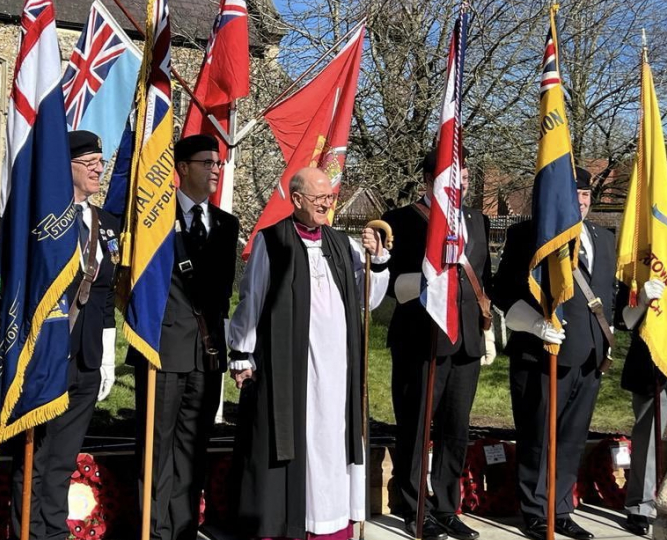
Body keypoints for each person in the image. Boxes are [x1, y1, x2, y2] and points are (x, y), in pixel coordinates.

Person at [228, 166, 389, 539]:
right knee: (297, 438)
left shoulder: (340, 243)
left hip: (337, 368)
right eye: (319, 199)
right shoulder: (273, 242)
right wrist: (241, 352)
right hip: (293, 365)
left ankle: (330, 521)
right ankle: (290, 519)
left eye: (330, 198)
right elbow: (252, 299)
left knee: (332, 439)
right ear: (297, 199)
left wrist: (377, 262)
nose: (326, 204)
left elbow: (369, 299)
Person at [126, 134, 239, 540]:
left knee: (193, 447)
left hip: (204, 354)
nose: (215, 171)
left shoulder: (227, 225)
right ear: (184, 167)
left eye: (218, 164)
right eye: (207, 163)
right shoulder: (156, 216)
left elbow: (223, 294)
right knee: (157, 448)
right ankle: (153, 529)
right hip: (162, 348)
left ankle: (184, 526)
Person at [493, 167, 614, 540]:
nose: (580, 202)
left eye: (586, 197)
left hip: (590, 357)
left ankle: (560, 508)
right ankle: (534, 510)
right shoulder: (529, 234)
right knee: (538, 436)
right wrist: (532, 324)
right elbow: (503, 290)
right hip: (543, 352)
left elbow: (608, 295)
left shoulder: (604, 238)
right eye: (573, 195)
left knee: (572, 438)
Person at [11, 130, 119, 539]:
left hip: (88, 355)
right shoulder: (39, 221)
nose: (98, 170)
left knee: (63, 456)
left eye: (100, 162)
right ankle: (25, 531)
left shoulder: (105, 223)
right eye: (89, 163)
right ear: (66, 168)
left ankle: (52, 532)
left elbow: (105, 291)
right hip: (44, 354)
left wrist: (107, 349)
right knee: (35, 456)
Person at [381, 150, 493, 540]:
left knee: (455, 428)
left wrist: (487, 331)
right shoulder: (401, 220)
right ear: (429, 179)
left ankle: (447, 505)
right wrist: (431, 279)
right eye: (451, 172)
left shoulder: (477, 220)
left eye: (463, 171)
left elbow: (483, 282)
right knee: (415, 426)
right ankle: (414, 507)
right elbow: (392, 288)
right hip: (421, 338)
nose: (459, 179)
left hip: (466, 341)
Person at [620, 207, 667, 536]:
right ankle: (640, 506)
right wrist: (640, 301)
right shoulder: (647, 269)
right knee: (649, 438)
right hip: (653, 366)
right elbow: (624, 319)